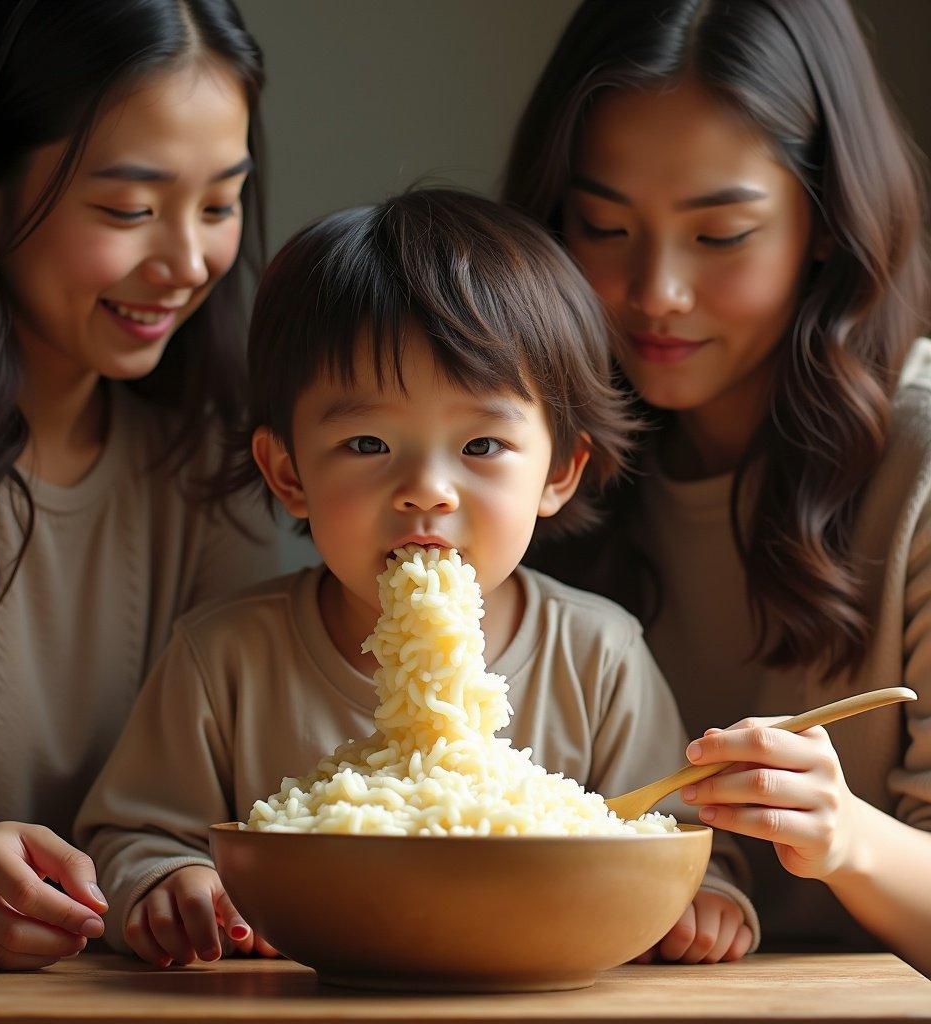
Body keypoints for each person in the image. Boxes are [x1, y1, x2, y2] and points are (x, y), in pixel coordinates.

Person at [75, 188, 759, 969]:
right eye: (367, 443)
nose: (427, 489)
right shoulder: (224, 655)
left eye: (481, 447)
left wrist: (703, 904)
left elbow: (670, 831)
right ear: (288, 471)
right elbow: (133, 833)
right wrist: (173, 881)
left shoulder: (597, 653)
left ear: (560, 470)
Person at [504, 0, 931, 973]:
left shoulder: (918, 465)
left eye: (721, 234)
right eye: (603, 225)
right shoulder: (523, 451)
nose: (656, 291)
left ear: (826, 222)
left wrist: (846, 838)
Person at [0, 0, 278, 971]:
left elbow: (236, 788)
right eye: (128, 209)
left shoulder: (211, 475)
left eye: (220, 203)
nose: (187, 262)